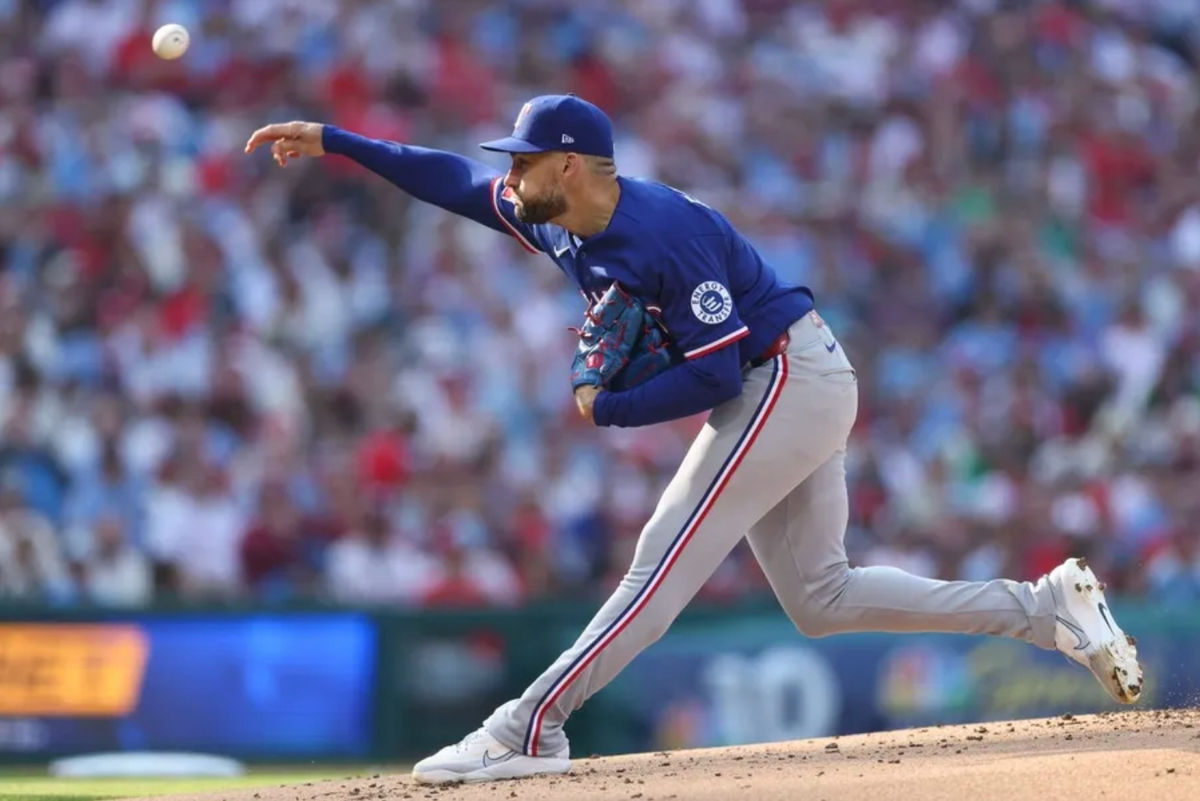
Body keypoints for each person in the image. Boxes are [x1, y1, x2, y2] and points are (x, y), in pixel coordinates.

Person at [244, 94, 1143, 784]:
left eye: (523, 160)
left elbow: (715, 377)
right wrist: (337, 141)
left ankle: (529, 727)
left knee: (659, 562)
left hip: (783, 376)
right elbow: (445, 177)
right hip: (788, 378)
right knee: (822, 598)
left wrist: (609, 408)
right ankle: (1045, 608)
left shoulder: (658, 232)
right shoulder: (558, 217)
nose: (508, 176)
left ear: (571, 163)